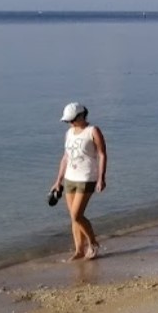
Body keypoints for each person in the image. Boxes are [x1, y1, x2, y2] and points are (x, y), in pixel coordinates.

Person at [51, 102, 107, 261]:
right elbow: (65, 157)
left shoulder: (93, 131)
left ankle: (93, 244)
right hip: (70, 178)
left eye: (73, 119)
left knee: (77, 215)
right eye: (68, 121)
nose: (70, 123)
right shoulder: (69, 133)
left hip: (86, 177)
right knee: (73, 217)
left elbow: (102, 154)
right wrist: (58, 180)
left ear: (82, 115)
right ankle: (79, 251)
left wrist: (101, 178)